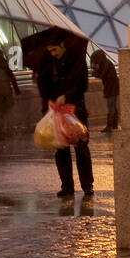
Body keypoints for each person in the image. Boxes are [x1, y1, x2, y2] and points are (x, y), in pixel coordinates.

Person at [31, 34, 93, 199]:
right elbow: (44, 87)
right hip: (57, 112)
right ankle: (67, 186)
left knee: (81, 148)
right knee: (60, 148)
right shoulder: (48, 65)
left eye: (55, 49)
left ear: (63, 46)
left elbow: (82, 85)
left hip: (76, 111)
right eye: (50, 50)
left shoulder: (77, 62)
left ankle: (87, 186)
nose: (53, 53)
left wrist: (67, 96)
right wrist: (49, 100)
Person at [0, 48, 20, 141]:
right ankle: (9, 130)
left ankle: (1, 132)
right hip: (6, 93)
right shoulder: (4, 64)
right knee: (8, 112)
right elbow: (12, 78)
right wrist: (17, 91)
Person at [90, 50, 120, 133]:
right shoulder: (106, 62)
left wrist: (94, 71)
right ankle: (114, 125)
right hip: (111, 86)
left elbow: (101, 75)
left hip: (111, 87)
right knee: (112, 106)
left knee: (111, 106)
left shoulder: (106, 64)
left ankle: (110, 126)